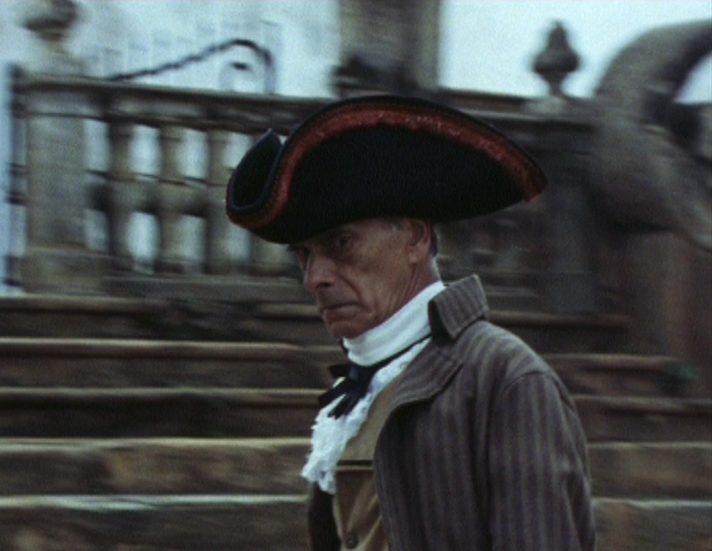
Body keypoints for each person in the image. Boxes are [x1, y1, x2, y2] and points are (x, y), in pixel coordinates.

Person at [226, 95, 596, 551]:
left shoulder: (506, 381)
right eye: (304, 254)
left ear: (416, 239)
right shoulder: (358, 390)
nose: (314, 278)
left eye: (341, 243)